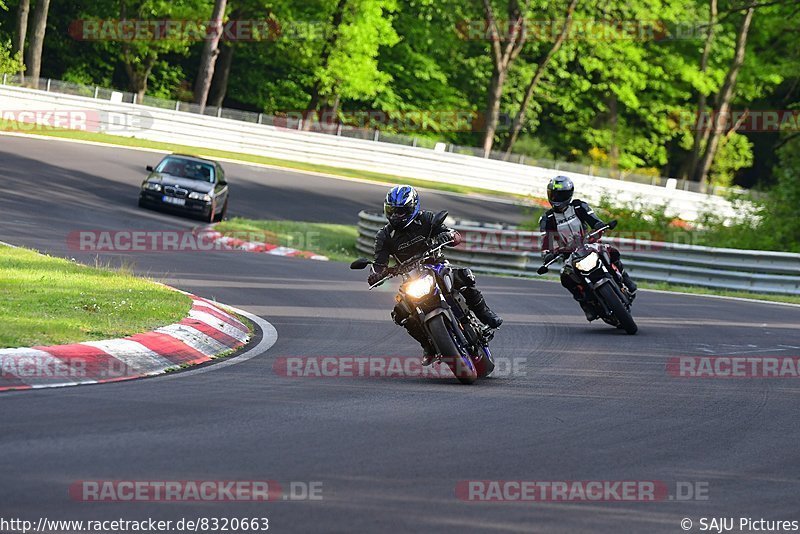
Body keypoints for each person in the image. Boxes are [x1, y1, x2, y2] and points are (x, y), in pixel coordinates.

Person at [369, 185, 503, 363]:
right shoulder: (385, 235)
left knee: (464, 277)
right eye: (392, 211)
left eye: (401, 212)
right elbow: (379, 262)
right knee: (400, 312)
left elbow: (453, 235)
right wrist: (377, 274)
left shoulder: (426, 219)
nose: (396, 216)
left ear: (412, 208)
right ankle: (427, 345)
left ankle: (485, 314)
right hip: (411, 277)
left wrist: (448, 236)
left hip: (436, 266)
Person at [539, 175, 637, 321]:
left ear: (569, 194)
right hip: (568, 255)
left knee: (611, 252)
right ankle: (586, 304)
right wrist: (548, 254)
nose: (556, 197)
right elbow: (546, 240)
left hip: (588, 244)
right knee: (566, 278)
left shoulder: (579, 206)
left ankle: (625, 279)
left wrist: (600, 226)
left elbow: (594, 220)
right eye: (554, 194)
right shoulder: (547, 218)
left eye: (560, 194)